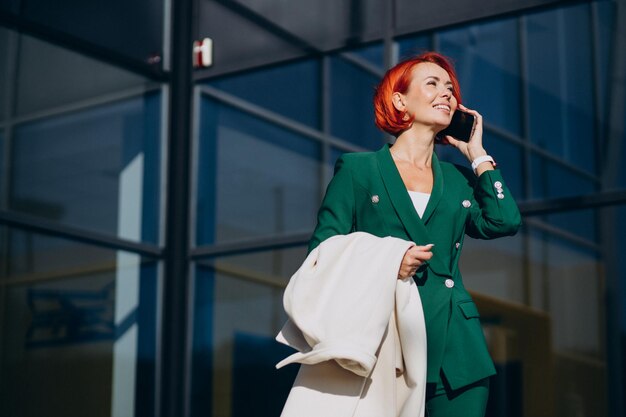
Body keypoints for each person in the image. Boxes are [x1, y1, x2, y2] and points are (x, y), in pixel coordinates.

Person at [307, 52, 522, 417]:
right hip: (383, 344)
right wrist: (389, 260)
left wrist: (477, 153)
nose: (447, 94)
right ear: (399, 100)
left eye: (451, 88)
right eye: (433, 84)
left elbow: (503, 222)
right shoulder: (359, 170)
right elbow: (323, 253)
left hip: (458, 354)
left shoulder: (458, 180)